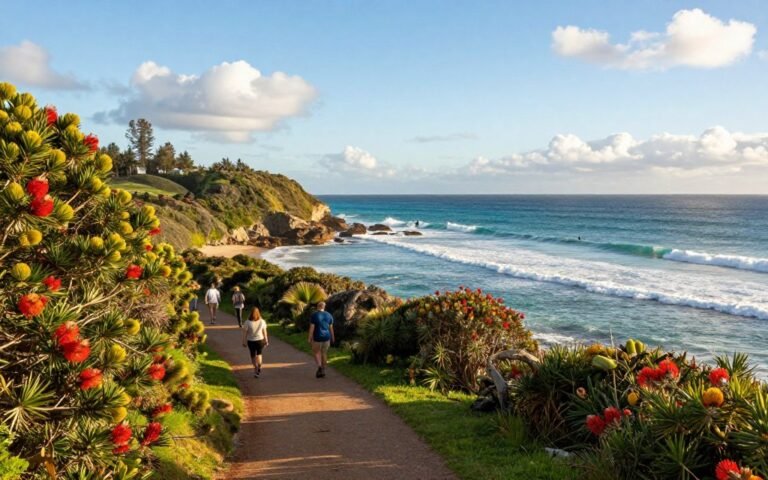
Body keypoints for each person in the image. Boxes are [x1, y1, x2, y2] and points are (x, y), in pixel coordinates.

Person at [308, 302, 335, 378]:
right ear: (324, 307)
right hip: (326, 337)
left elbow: (312, 328)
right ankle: (323, 370)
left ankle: (319, 366)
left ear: (317, 307)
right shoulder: (329, 315)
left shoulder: (314, 315)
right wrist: (333, 337)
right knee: (324, 353)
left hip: (317, 337)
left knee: (316, 352)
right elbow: (331, 328)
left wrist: (309, 338)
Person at [242, 308, 268, 378]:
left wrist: (244, 341)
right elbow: (265, 332)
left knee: (253, 355)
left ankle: (255, 368)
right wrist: (266, 340)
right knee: (259, 353)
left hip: (251, 341)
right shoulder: (262, 321)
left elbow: (245, 333)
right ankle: (259, 365)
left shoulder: (247, 322)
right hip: (260, 340)